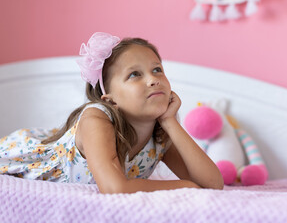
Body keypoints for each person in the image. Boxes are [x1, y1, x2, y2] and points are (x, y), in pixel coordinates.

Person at [0, 32, 224, 193]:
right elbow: (114, 187)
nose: (153, 79)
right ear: (110, 98)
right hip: (24, 155)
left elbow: (213, 183)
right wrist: (184, 185)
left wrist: (169, 121)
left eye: (157, 70)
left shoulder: (161, 133)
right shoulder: (96, 118)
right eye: (134, 74)